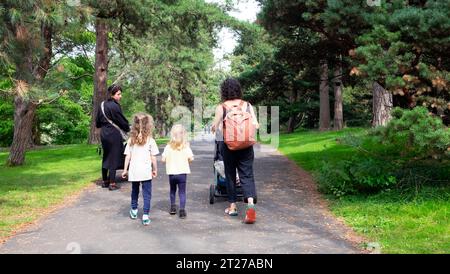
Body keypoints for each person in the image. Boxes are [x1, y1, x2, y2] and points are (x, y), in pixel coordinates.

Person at [211, 78, 259, 224]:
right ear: (239, 90)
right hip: (246, 146)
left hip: (229, 145)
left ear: (224, 91)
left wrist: (219, 128)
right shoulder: (247, 105)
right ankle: (250, 204)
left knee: (230, 175)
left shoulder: (222, 107)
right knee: (247, 175)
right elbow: (256, 125)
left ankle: (232, 207)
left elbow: (215, 127)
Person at [122, 113, 159, 225]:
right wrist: (155, 169)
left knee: (135, 191)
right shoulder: (150, 140)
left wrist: (125, 170)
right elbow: (153, 157)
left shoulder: (131, 141)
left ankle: (134, 210)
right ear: (148, 125)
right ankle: (145, 215)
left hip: (134, 171)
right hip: (145, 172)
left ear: (134, 125)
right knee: (147, 194)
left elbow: (128, 156)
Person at [96, 84, 130, 191]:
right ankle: (112, 183)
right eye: (118, 94)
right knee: (114, 157)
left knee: (106, 156)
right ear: (112, 94)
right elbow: (122, 122)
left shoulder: (101, 105)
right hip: (114, 134)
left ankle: (105, 181)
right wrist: (128, 128)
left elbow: (97, 123)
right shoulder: (115, 106)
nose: (120, 96)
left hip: (104, 134)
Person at [161, 124, 194, 219]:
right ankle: (182, 210)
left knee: (172, 190)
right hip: (182, 173)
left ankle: (172, 207)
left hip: (172, 173)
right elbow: (191, 159)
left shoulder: (168, 146)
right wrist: (185, 161)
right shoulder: (185, 146)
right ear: (183, 134)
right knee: (182, 192)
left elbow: (163, 160)